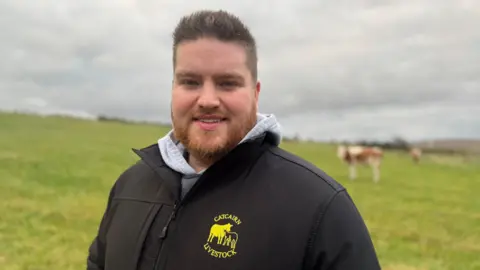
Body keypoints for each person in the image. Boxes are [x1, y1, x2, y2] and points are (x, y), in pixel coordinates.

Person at [87, 9, 381, 270]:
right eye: (190, 82)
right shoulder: (130, 186)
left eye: (228, 83)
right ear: (173, 87)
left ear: (255, 93)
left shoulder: (320, 208)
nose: (207, 100)